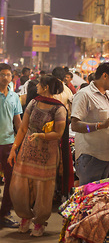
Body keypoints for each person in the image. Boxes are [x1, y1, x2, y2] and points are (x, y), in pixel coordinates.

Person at [8, 74, 66, 236]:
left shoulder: (59, 108)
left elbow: (59, 133)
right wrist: (14, 147)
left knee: (43, 189)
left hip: (47, 154)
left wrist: (41, 136)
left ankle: (40, 221)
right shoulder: (33, 103)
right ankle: (25, 216)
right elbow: (23, 127)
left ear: (46, 87)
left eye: (39, 84)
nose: (37, 87)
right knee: (19, 187)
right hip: (27, 150)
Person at [70, 63, 109, 185]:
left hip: (106, 156)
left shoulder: (107, 96)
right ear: (105, 76)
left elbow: (108, 125)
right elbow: (75, 125)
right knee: (87, 197)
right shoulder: (84, 94)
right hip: (90, 156)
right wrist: (100, 125)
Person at [0, 63, 22, 228]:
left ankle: (5, 213)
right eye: (2, 74)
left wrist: (21, 140)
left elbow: (17, 120)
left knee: (11, 179)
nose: (5, 77)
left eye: (8, 75)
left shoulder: (14, 96)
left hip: (8, 144)